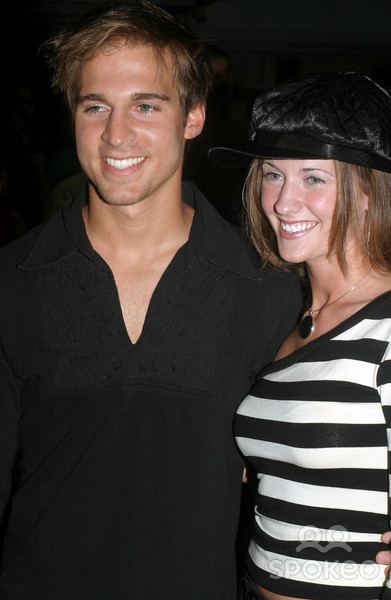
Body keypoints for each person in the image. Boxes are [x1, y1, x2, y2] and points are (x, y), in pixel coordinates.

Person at [0, 2, 302, 599]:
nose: (116, 134)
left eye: (145, 105)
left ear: (192, 116)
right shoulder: (12, 280)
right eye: (95, 107)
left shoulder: (270, 287)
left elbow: (309, 461)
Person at [209, 71, 391, 599]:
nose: (284, 203)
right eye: (273, 175)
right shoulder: (285, 317)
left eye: (314, 178)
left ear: (367, 193)